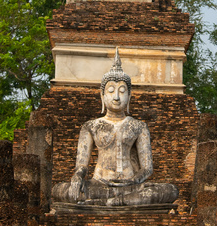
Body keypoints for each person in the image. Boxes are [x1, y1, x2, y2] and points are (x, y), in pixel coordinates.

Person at [52, 49, 178, 206]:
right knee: (59, 189)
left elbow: (147, 168)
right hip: (99, 185)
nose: (116, 96)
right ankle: (116, 201)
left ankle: (113, 202)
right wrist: (77, 177)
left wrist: (132, 181)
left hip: (130, 186)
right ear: (102, 96)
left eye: (122, 91)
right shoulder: (91, 126)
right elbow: (81, 165)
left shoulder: (138, 126)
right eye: (111, 90)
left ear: (129, 96)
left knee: (170, 190)